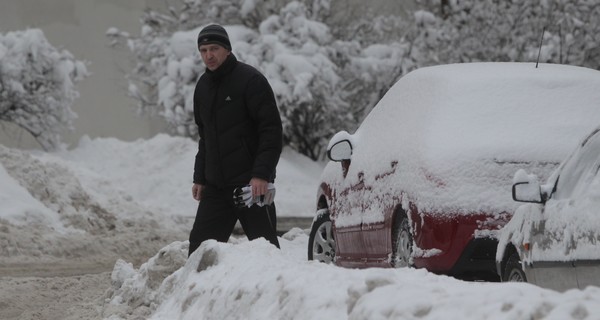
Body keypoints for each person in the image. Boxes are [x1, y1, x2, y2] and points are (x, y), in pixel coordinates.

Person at [188, 24, 283, 257]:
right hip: (216, 188)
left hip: (250, 186)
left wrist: (261, 174)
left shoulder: (250, 80)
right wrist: (200, 178)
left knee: (266, 252)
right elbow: (205, 137)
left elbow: (271, 131)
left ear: (227, 50)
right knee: (199, 253)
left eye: (214, 48)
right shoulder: (202, 87)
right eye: (203, 50)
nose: (208, 55)